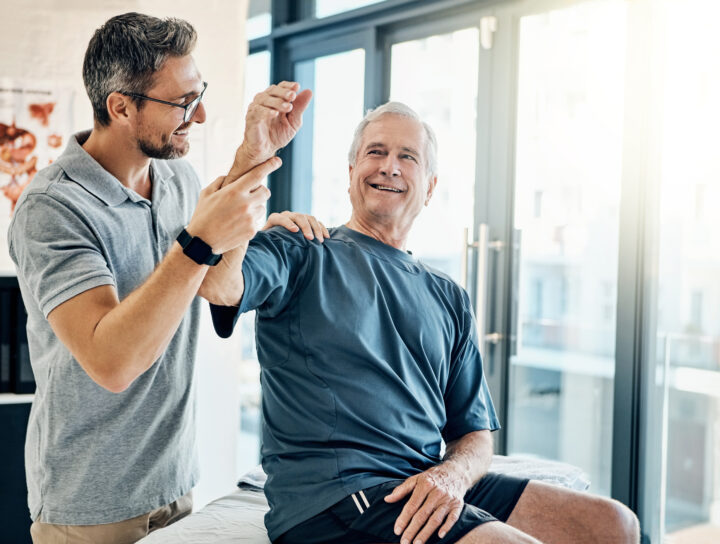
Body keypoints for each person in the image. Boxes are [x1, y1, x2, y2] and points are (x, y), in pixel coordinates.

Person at [209, 88, 642, 544]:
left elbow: (474, 437)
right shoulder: (301, 248)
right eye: (375, 152)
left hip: (423, 481)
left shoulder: (448, 295)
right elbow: (219, 282)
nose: (389, 166)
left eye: (407, 157)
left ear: (430, 187)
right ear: (352, 172)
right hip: (334, 498)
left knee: (613, 524)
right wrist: (252, 157)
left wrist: (451, 478)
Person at [8, 13, 323, 544]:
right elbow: (112, 362)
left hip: (173, 480)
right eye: (182, 103)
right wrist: (199, 240)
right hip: (90, 501)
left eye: (199, 96)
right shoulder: (52, 208)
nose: (197, 118)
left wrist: (253, 155)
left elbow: (218, 284)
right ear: (121, 107)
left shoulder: (178, 177)